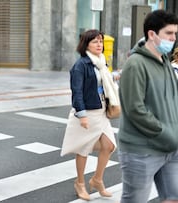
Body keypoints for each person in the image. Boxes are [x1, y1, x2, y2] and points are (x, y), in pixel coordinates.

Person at [118, 10, 178, 203]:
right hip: (141, 151)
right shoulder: (135, 64)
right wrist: (166, 133)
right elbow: (135, 109)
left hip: (171, 149)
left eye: (175, 34)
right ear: (152, 34)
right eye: (169, 33)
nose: (174, 38)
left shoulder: (166, 61)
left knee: (173, 197)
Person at [60, 29, 117, 201]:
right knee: (83, 149)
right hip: (87, 112)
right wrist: (82, 114)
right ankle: (80, 183)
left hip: (101, 112)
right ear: (86, 45)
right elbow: (76, 92)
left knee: (109, 146)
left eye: (100, 41)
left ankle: (97, 180)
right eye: (95, 42)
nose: (99, 44)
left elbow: (104, 82)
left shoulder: (101, 62)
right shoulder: (80, 66)